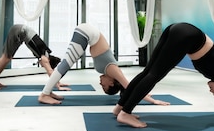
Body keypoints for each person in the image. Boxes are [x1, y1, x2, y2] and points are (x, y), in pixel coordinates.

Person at [38, 23, 170, 106]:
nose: (100, 84)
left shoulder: (108, 71)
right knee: (65, 65)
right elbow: (131, 87)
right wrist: (151, 100)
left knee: (66, 65)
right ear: (112, 83)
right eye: (104, 87)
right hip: (88, 33)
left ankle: (48, 93)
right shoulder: (113, 70)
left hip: (88, 33)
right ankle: (44, 94)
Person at [0, 24, 63, 90]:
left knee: (8, 58)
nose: (42, 65)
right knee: (6, 57)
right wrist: (57, 85)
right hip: (19, 31)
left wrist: (58, 82)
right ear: (49, 61)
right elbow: (49, 70)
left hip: (20, 32)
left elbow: (51, 69)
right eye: (43, 65)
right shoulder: (44, 57)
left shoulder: (46, 53)